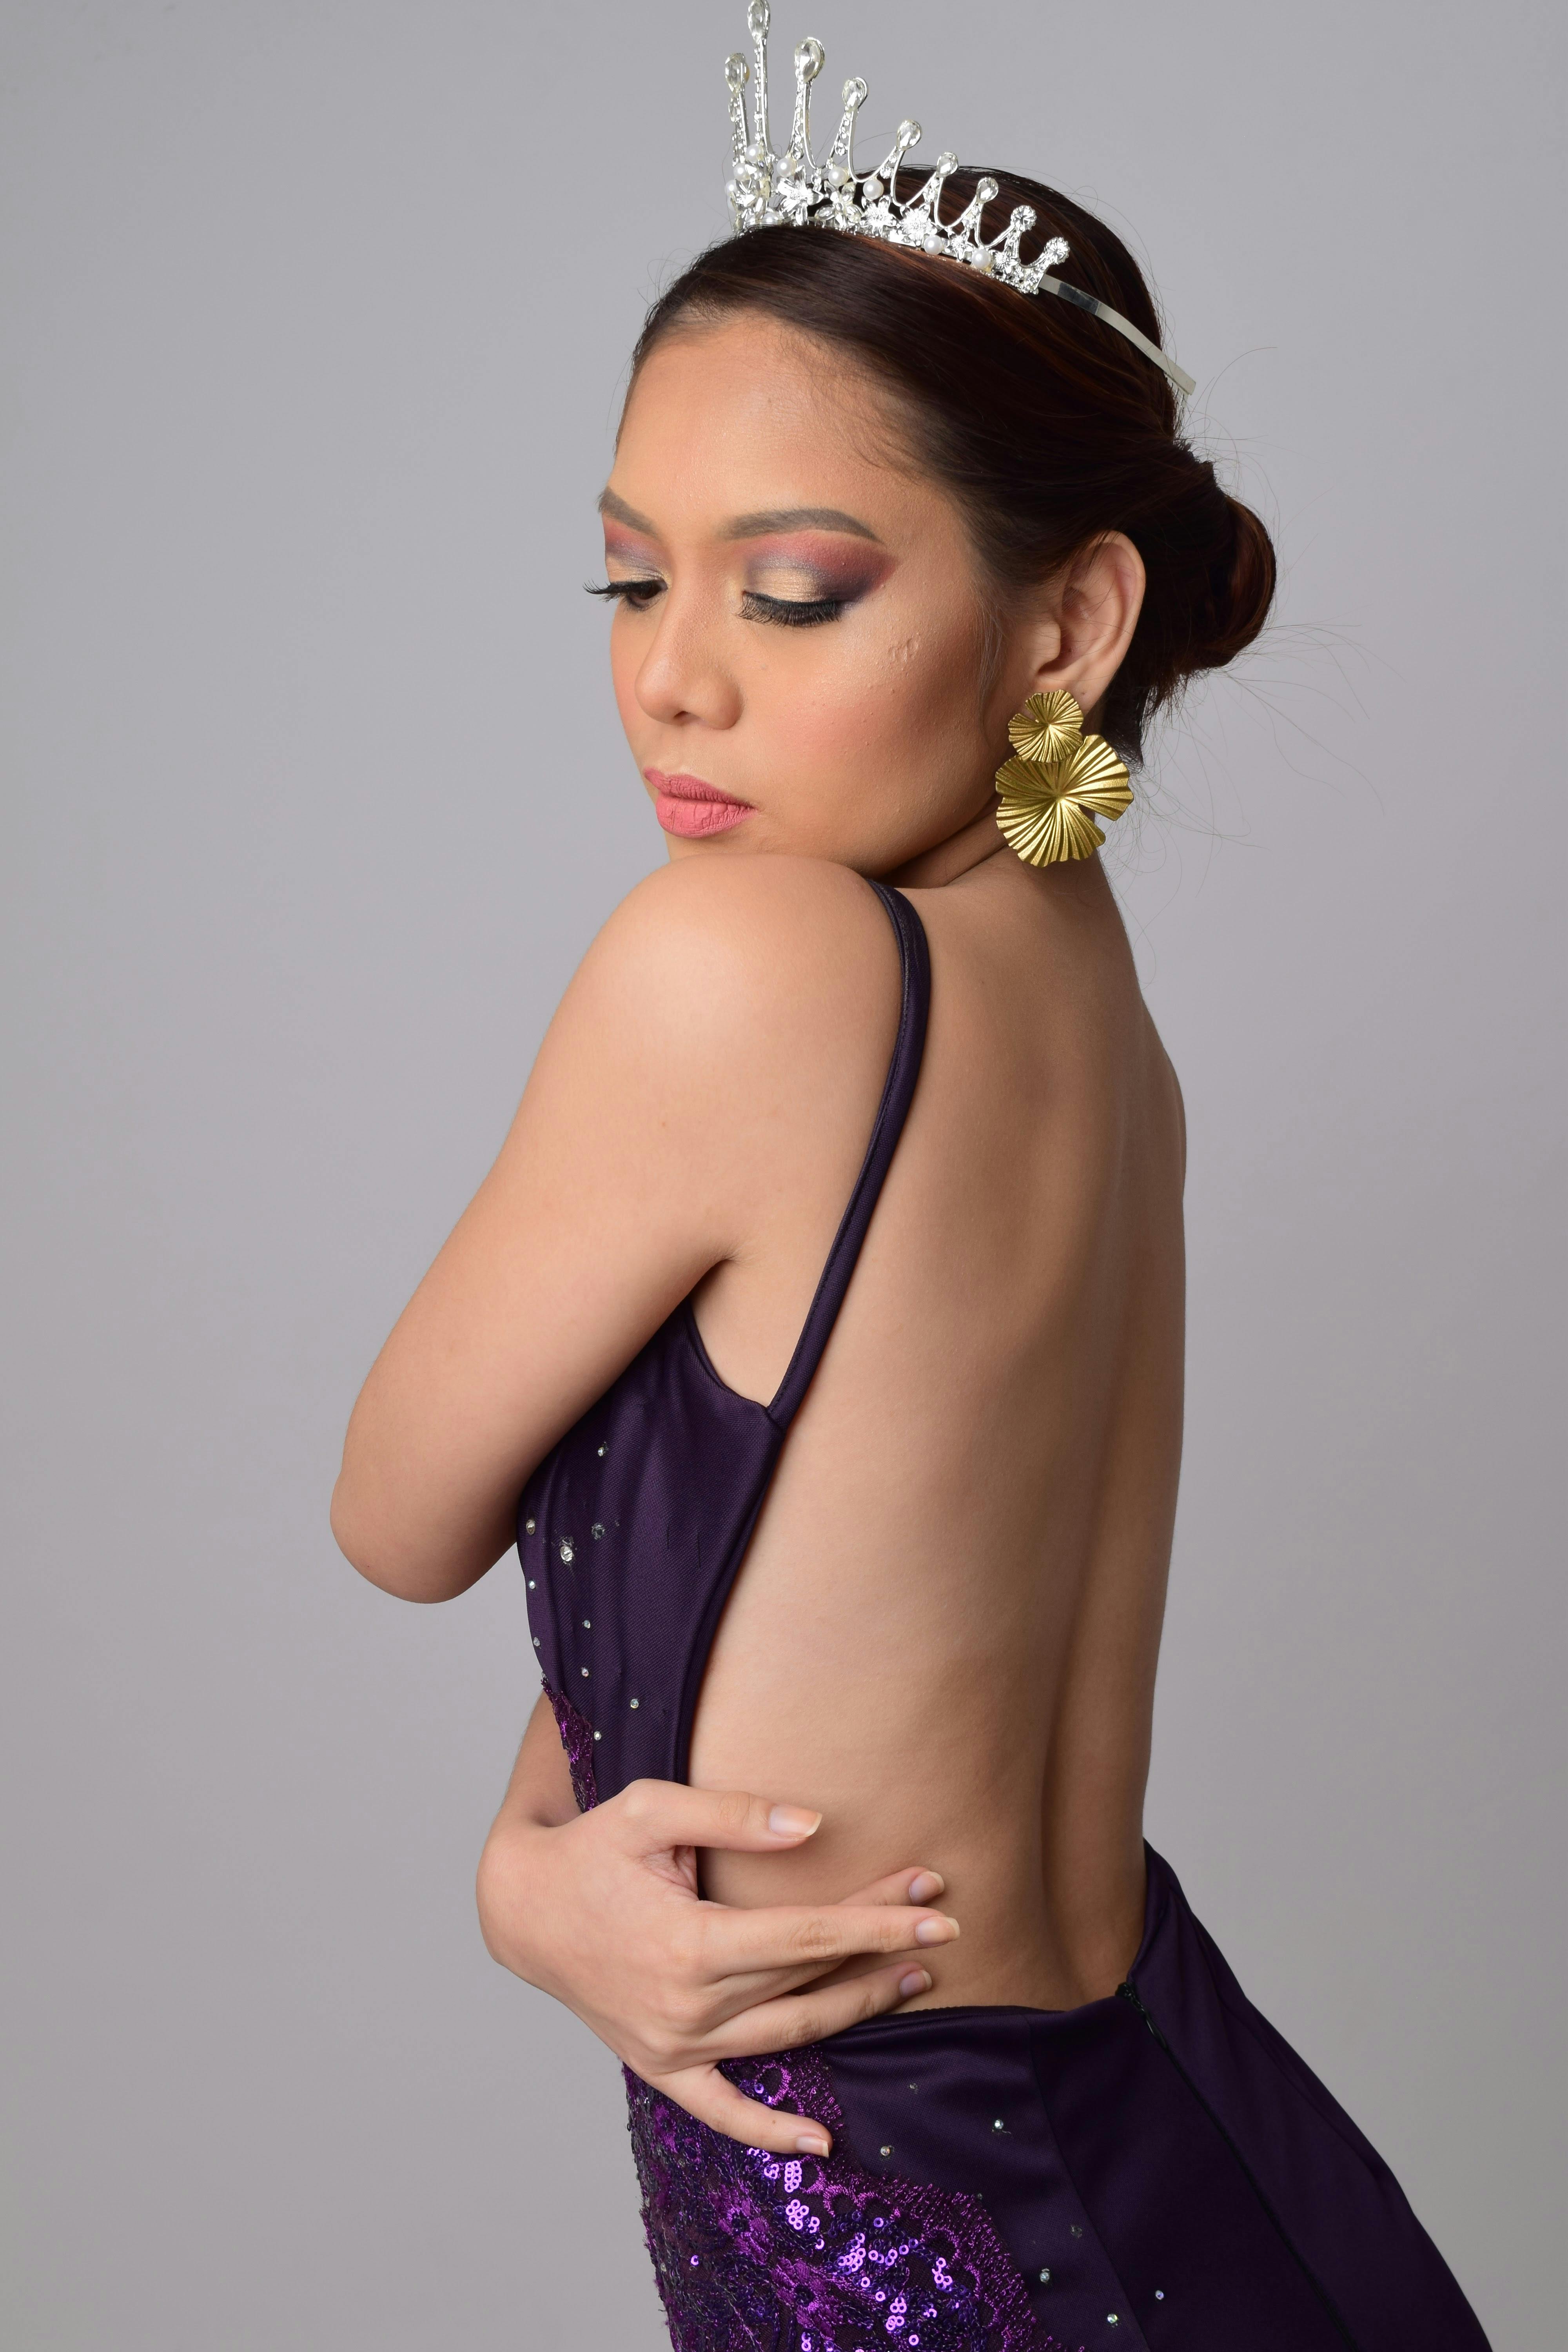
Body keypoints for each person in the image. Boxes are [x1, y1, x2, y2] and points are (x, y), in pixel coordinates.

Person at [331, 11, 1490, 2346]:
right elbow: (780, 1530)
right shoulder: (1078, 991)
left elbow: (406, 1510)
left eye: (792, 590)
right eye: (626, 582)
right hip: (1182, 2119)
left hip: (930, 2231)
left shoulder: (745, 965)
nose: (671, 681)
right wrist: (537, 1857)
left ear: (1063, 626)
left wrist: (517, 1886)